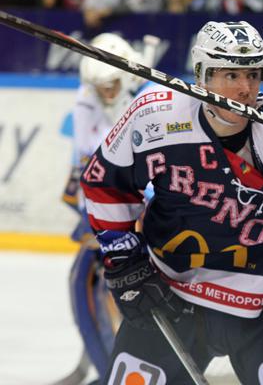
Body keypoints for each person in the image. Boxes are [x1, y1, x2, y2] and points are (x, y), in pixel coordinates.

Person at [80, 20, 263, 384]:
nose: (245, 89)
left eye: (254, 74)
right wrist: (122, 258)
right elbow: (105, 182)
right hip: (170, 292)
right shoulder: (154, 116)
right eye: (230, 75)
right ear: (202, 77)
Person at [61, 32, 153, 379]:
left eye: (113, 83)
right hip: (105, 212)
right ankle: (105, 368)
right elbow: (89, 151)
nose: (108, 91)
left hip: (142, 216)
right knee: (86, 286)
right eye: (101, 86)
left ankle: (112, 370)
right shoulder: (88, 97)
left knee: (105, 290)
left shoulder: (148, 98)